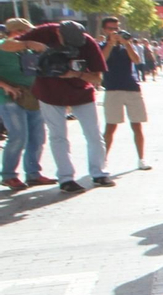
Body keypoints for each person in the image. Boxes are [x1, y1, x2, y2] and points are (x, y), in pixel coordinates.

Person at [8, 20, 110, 192]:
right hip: (49, 92)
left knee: (93, 134)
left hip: (81, 92)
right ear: (58, 34)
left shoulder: (88, 43)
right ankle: (66, 178)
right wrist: (27, 44)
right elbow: (5, 46)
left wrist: (74, 74)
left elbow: (97, 79)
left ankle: (99, 173)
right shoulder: (45, 32)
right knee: (58, 136)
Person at [99, 16, 152, 172]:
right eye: (111, 29)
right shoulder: (101, 46)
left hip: (131, 88)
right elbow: (102, 60)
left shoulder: (126, 45)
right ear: (104, 30)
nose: (115, 31)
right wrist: (111, 43)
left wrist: (127, 44)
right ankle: (103, 160)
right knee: (110, 126)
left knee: (137, 125)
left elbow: (136, 60)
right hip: (112, 89)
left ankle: (141, 159)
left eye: (117, 28)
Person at [0, 18, 47, 190]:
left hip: (32, 95)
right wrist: (5, 86)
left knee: (38, 137)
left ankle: (33, 174)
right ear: (17, 32)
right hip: (9, 97)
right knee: (18, 136)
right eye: (26, 31)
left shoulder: (27, 49)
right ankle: (8, 175)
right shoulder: (3, 46)